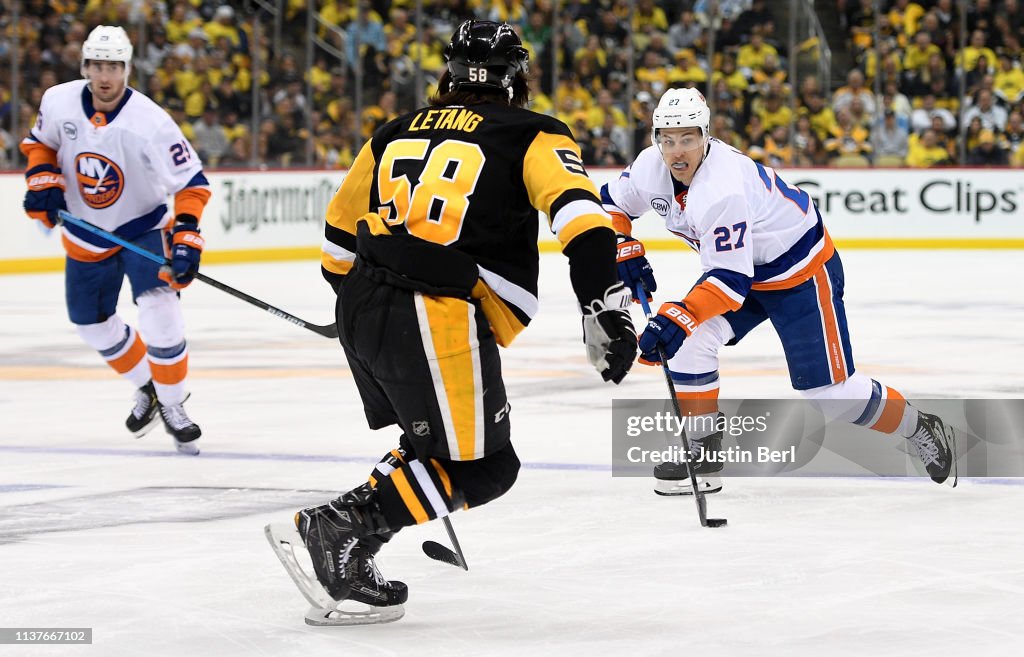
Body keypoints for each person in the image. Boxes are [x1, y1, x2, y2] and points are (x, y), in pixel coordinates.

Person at [265, 20, 636, 625]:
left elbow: (336, 248)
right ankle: (338, 528)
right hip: (437, 311)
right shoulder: (535, 134)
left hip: (366, 303)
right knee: (489, 467)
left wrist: (369, 304)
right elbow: (584, 226)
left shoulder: (390, 133)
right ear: (516, 77)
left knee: (430, 446)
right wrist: (606, 311)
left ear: (450, 74)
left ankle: (355, 544)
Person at [602, 88, 957, 496]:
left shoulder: (722, 191)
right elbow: (611, 203)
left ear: (706, 136)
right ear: (655, 139)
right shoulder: (651, 166)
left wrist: (679, 316)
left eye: (688, 139)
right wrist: (620, 244)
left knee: (831, 395)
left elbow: (729, 282)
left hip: (799, 272)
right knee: (690, 340)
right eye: (667, 139)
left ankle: (919, 425)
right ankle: (701, 447)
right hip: (741, 267)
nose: (677, 151)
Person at [20, 26, 210, 455]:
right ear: (85, 67)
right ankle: (148, 386)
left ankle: (174, 405)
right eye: (98, 65)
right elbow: (40, 145)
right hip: (85, 231)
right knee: (90, 324)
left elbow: (192, 184)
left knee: (161, 313)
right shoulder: (58, 101)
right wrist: (43, 180)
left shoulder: (152, 122)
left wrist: (185, 237)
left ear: (127, 69)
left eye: (114, 66)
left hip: (142, 227)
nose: (105, 76)